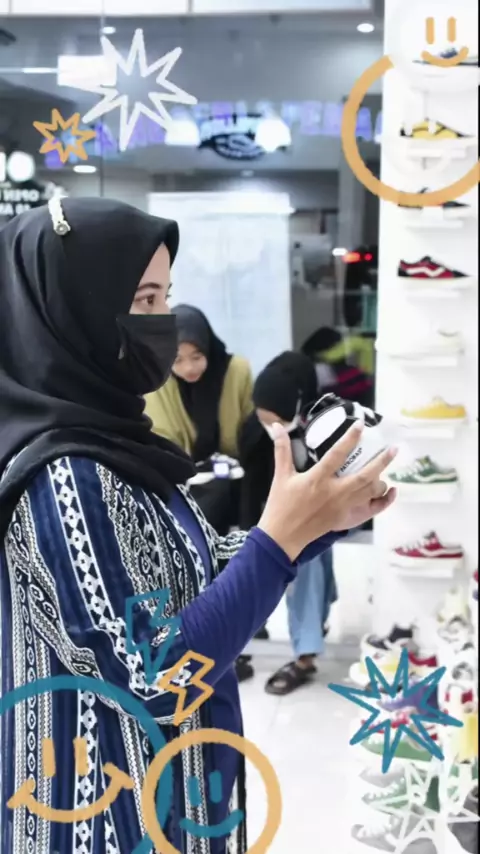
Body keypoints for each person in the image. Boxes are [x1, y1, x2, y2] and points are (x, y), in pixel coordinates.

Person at [0, 197, 396, 854]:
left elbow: (199, 569)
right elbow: (155, 678)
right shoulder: (65, 473)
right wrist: (279, 541)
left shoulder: (117, 446)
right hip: (105, 818)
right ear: (75, 310)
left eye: (166, 296)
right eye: (144, 299)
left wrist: (318, 518)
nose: (164, 321)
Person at [144, 304, 256, 680]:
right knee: (198, 571)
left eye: (197, 356)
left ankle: (234, 646)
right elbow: (161, 443)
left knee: (229, 570)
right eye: (178, 359)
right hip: (185, 492)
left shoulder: (236, 370)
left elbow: (250, 435)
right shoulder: (158, 380)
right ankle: (208, 649)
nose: (189, 367)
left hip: (235, 488)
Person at [239, 352, 336, 694]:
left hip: (324, 511)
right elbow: (250, 484)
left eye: (277, 420)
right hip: (273, 514)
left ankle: (305, 655)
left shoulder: (325, 425)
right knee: (249, 557)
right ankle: (244, 640)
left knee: (307, 557)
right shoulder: (254, 430)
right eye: (264, 419)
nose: (271, 429)